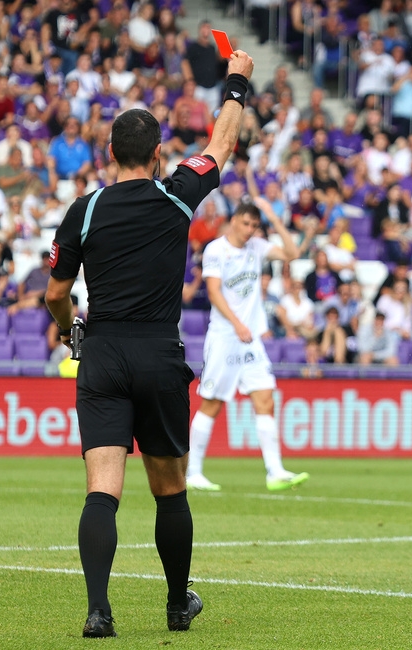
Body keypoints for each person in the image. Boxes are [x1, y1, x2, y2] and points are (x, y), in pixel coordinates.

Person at [43, 51, 256, 639]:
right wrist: (236, 81)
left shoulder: (83, 211)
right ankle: (173, 606)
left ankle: (97, 611)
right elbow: (222, 144)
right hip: (160, 356)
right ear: (159, 154)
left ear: (110, 153)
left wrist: (69, 328)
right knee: (170, 489)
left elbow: (56, 293)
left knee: (102, 491)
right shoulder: (178, 196)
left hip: (104, 354)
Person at [185, 197, 308, 494]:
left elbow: (292, 253)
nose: (250, 230)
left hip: (250, 340)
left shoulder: (258, 246)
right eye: (246, 223)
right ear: (234, 220)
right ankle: (193, 472)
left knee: (266, 398)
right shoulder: (217, 249)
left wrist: (272, 215)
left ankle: (275, 471)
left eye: (255, 225)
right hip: (226, 338)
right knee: (212, 403)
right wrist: (237, 323)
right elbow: (213, 292)